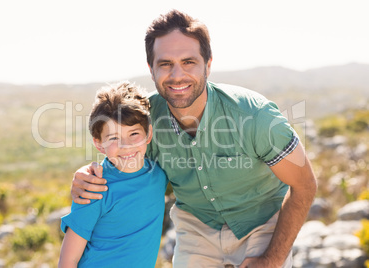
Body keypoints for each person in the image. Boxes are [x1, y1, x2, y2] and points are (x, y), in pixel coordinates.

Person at [70, 10, 317, 268]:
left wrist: (272, 259)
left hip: (262, 223)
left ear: (208, 64)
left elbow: (305, 185)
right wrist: (86, 174)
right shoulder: (145, 121)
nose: (177, 75)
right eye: (165, 64)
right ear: (151, 70)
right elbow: (120, 156)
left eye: (189, 62)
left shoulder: (255, 116)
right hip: (195, 227)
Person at [58, 81, 168, 267]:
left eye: (134, 134)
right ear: (99, 144)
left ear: (149, 134)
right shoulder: (93, 188)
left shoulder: (159, 174)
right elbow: (68, 260)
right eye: (114, 138)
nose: (126, 145)